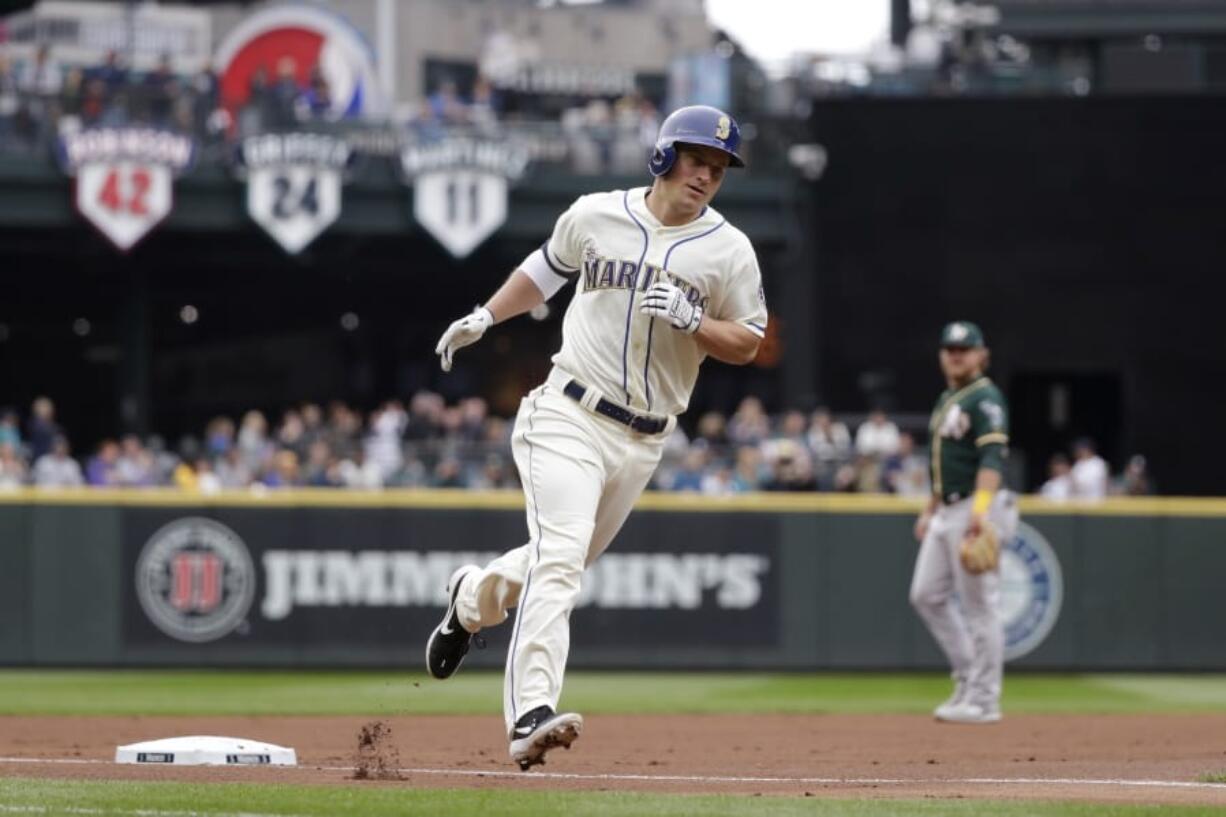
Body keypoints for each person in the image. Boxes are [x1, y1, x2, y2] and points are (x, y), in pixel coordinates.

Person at [425, 105, 765, 770]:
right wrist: (486, 315)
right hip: (568, 412)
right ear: (664, 156)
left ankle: (470, 600)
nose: (705, 175)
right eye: (696, 159)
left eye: (718, 168)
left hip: (644, 439)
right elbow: (546, 269)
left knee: (562, 557)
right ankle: (531, 714)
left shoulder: (730, 249)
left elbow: (749, 340)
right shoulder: (596, 213)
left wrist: (697, 320)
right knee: (561, 563)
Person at [909, 321, 1018, 725]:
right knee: (926, 595)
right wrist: (930, 507)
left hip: (976, 506)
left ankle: (985, 699)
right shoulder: (948, 397)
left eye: (964, 349)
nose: (956, 355)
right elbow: (945, 463)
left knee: (979, 606)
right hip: (948, 508)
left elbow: (993, 457)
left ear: (980, 355)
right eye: (950, 349)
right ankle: (969, 676)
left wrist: (980, 510)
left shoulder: (984, 398)